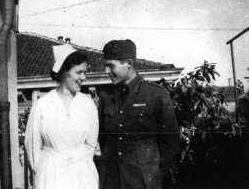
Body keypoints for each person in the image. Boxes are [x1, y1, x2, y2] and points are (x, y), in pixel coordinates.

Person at [98, 39, 180, 189]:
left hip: (144, 183)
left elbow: (171, 143)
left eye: (111, 66)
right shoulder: (105, 96)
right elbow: (103, 139)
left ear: (128, 63)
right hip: (111, 181)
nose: (106, 72)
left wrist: (152, 174)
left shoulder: (156, 95)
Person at [25, 44, 99, 189]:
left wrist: (78, 162)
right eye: (79, 72)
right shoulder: (43, 105)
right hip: (51, 174)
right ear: (65, 72)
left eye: (85, 73)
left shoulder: (87, 104)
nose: (83, 78)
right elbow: (32, 146)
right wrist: (43, 169)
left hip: (82, 174)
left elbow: (91, 144)